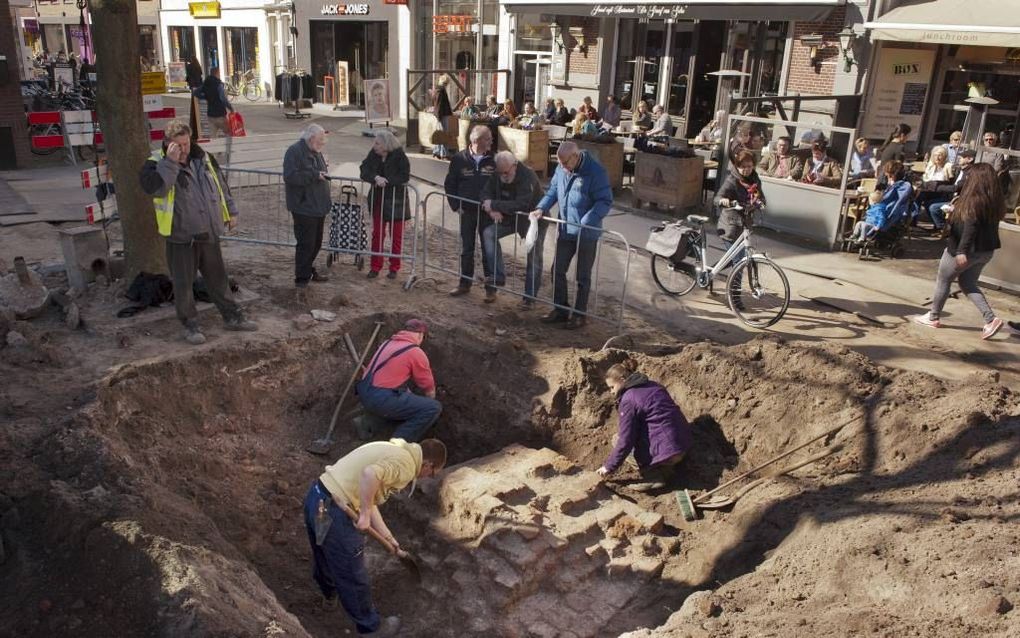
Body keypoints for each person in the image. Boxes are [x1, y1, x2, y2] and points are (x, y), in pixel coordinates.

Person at [303, 437, 447, 637]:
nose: (428, 477)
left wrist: (387, 535)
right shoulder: (406, 465)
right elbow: (369, 475)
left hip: (318, 500)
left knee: (324, 552)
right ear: (427, 464)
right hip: (337, 512)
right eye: (432, 473)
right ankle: (372, 628)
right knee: (353, 575)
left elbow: (369, 495)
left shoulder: (393, 450)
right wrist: (363, 515)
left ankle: (330, 595)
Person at [139, 119, 256, 345]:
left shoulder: (203, 158)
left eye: (186, 143)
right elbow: (159, 189)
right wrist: (171, 162)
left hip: (208, 231)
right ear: (167, 143)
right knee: (184, 285)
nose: (184, 149)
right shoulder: (154, 165)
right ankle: (190, 326)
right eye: (178, 145)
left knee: (218, 279)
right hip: (181, 236)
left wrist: (231, 211)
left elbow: (222, 186)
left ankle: (233, 317)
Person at [912, 164, 1005, 339]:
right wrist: (957, 212)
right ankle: (991, 320)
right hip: (985, 251)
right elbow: (975, 222)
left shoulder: (973, 200)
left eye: (969, 176)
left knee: (943, 280)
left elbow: (970, 227)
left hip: (964, 250)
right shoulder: (994, 201)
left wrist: (962, 251)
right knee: (968, 283)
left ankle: (933, 317)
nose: (966, 179)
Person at [531, 142, 613, 330]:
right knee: (557, 270)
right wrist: (541, 207)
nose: (562, 167)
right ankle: (560, 310)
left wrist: (588, 220)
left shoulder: (596, 172)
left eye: (565, 163)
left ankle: (579, 314)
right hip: (566, 229)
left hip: (586, 233)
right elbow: (553, 191)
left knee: (582, 276)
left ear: (576, 156)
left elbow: (605, 200)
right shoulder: (562, 169)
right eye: (559, 163)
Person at [596, 359, 693, 491]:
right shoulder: (654, 385)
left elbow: (626, 440)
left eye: (612, 387)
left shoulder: (629, 399)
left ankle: (653, 477)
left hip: (670, 454)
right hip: (684, 444)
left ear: (623, 379)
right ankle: (666, 465)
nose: (612, 392)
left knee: (617, 439)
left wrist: (608, 467)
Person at [355, 319, 443, 441]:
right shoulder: (415, 352)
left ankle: (368, 424)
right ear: (420, 335)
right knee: (433, 407)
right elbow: (428, 386)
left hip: (364, 392)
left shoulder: (387, 343)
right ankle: (397, 444)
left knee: (400, 400)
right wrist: (427, 406)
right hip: (381, 399)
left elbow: (389, 377)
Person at [480, 151, 547, 309]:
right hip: (510, 218)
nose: (503, 175)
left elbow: (522, 204)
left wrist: (494, 205)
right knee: (489, 233)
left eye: (506, 172)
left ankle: (529, 298)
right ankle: (498, 276)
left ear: (514, 165)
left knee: (534, 258)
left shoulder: (528, 175)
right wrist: (490, 210)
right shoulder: (498, 173)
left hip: (532, 221)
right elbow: (485, 193)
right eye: (500, 172)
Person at [444, 125, 497, 300]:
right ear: (476, 141)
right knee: (467, 248)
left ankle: (491, 288)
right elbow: (450, 183)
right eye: (488, 138)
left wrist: (496, 206)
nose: (491, 141)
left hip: (486, 213)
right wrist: (455, 205)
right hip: (466, 211)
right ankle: (464, 283)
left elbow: (500, 185)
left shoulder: (494, 159)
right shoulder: (459, 158)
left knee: (489, 250)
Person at [284, 124, 331, 292]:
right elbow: (290, 176)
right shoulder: (295, 151)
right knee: (306, 243)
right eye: (320, 141)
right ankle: (301, 279)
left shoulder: (314, 151)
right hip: (304, 206)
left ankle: (307, 271)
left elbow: (318, 171)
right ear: (311, 139)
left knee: (316, 243)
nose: (322, 145)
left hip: (317, 205)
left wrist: (323, 171)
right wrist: (313, 175)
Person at [359, 130, 411, 279]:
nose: (374, 145)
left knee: (396, 236)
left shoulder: (400, 156)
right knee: (377, 234)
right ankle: (375, 266)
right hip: (378, 201)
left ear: (386, 145)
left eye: (377, 143)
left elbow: (404, 176)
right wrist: (375, 177)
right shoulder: (373, 154)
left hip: (397, 202)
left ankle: (394, 267)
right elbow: (363, 169)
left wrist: (386, 181)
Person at [927, 148, 977, 230]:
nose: (959, 158)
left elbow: (956, 187)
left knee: (933, 208)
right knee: (928, 202)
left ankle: (944, 228)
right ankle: (937, 226)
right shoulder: (960, 170)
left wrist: (937, 187)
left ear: (970, 159)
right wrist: (935, 184)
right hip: (951, 197)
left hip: (958, 201)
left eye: (962, 157)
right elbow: (951, 183)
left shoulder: (969, 173)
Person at [198, 67, 235, 161]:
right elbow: (223, 98)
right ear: (217, 73)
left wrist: (205, 97)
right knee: (229, 132)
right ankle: (229, 151)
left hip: (210, 114)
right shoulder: (219, 84)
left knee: (213, 136)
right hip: (220, 114)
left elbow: (197, 92)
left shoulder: (206, 83)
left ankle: (213, 156)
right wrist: (230, 108)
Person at [915, 145, 955, 226]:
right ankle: (912, 220)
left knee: (921, 197)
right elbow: (925, 179)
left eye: (940, 155)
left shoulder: (947, 166)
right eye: (935, 155)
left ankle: (940, 226)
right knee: (917, 196)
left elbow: (951, 183)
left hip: (940, 193)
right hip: (929, 191)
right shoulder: (931, 165)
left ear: (944, 156)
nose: (937, 157)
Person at [431, 75, 454, 160]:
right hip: (443, 115)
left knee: (440, 134)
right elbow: (440, 105)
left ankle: (437, 151)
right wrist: (439, 116)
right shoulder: (441, 91)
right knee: (444, 134)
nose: (447, 85)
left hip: (440, 115)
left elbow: (435, 103)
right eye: (446, 83)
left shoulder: (436, 90)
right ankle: (444, 153)